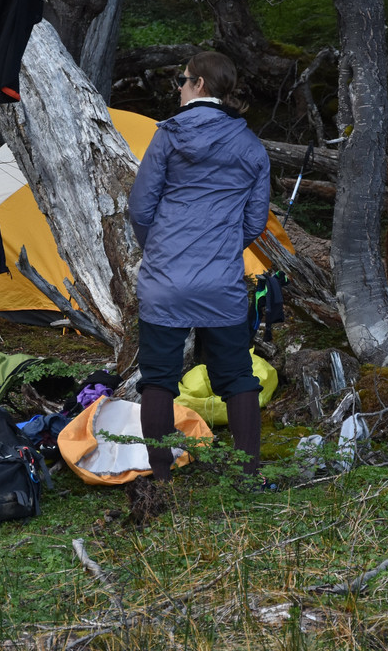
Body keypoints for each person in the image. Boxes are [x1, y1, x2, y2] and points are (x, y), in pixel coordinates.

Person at [128, 51, 271, 486]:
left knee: (158, 380)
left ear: (200, 85)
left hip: (165, 281)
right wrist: (223, 249)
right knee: (238, 378)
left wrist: (162, 251)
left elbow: (140, 206)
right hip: (221, 281)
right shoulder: (250, 145)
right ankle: (247, 475)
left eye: (182, 79)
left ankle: (161, 477)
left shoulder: (169, 137)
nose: (178, 86)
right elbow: (254, 220)